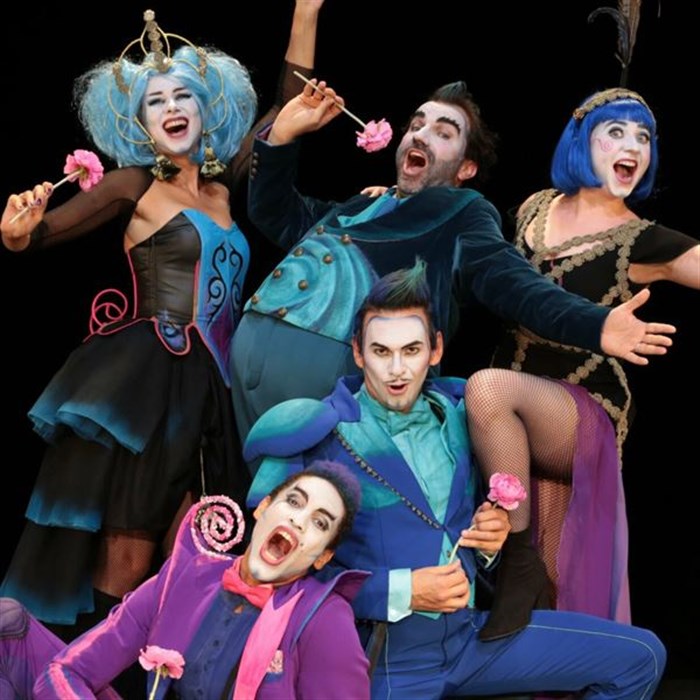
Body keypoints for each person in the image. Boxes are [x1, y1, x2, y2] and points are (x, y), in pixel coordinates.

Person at [0, 2, 325, 633]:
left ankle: (161, 671)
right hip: (154, 381)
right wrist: (17, 232)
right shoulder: (134, 186)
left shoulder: (225, 188)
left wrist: (306, 13)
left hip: (218, 392)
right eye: (155, 102)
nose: (171, 108)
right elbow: (40, 234)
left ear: (207, 110)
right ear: (141, 123)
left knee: (196, 564)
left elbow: (285, 114)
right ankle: (88, 670)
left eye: (183, 96)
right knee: (128, 560)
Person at [243, 262, 667, 699]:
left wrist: (490, 544)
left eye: (411, 350)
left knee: (640, 657)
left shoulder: (464, 413)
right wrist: (402, 590)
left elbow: (472, 535)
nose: (396, 370)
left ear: (435, 349)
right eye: (381, 352)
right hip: (386, 664)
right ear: (358, 352)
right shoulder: (318, 432)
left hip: (473, 642)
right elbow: (271, 578)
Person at [230, 78, 675, 452]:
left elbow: (512, 282)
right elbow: (275, 214)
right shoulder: (359, 205)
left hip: (342, 400)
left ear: (466, 168)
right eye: (416, 125)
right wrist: (282, 136)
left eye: (443, 133)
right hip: (247, 391)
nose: (420, 135)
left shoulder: (462, 212)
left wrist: (596, 324)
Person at [463, 88, 700, 637]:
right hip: (514, 421)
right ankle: (543, 651)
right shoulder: (534, 208)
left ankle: (513, 559)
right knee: (549, 586)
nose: (632, 146)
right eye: (616, 133)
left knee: (488, 388)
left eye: (643, 137)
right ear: (580, 140)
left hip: (583, 413)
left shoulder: (643, 241)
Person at [0, 461, 371, 700]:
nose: (298, 520)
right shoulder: (188, 576)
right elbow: (67, 670)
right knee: (7, 624)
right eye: (294, 502)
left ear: (322, 556)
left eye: (319, 523)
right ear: (264, 507)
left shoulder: (323, 620)